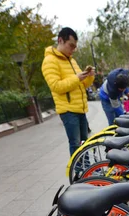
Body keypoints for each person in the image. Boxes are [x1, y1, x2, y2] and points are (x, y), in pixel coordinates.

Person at [41, 27, 95, 155]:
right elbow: (56, 86)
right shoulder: (49, 61)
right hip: (68, 110)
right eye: (71, 46)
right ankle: (79, 172)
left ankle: (86, 170)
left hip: (80, 108)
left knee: (84, 143)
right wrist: (76, 78)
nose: (73, 49)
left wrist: (89, 75)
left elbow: (83, 85)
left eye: (75, 46)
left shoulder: (72, 61)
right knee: (75, 143)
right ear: (60, 40)